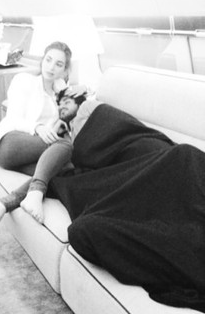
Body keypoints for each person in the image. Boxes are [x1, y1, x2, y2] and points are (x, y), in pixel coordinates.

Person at [47, 102, 205, 312]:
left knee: (184, 155)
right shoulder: (80, 157)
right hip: (156, 209)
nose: (64, 108)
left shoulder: (98, 112)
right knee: (83, 231)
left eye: (68, 103)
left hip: (182, 175)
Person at [0, 88, 99, 238]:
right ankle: (36, 192)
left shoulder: (84, 116)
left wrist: (85, 90)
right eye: (60, 104)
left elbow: (95, 101)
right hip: (9, 143)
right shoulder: (51, 119)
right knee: (65, 146)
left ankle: (3, 204)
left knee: (57, 171)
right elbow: (14, 118)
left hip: (17, 159)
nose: (61, 107)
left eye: (67, 102)